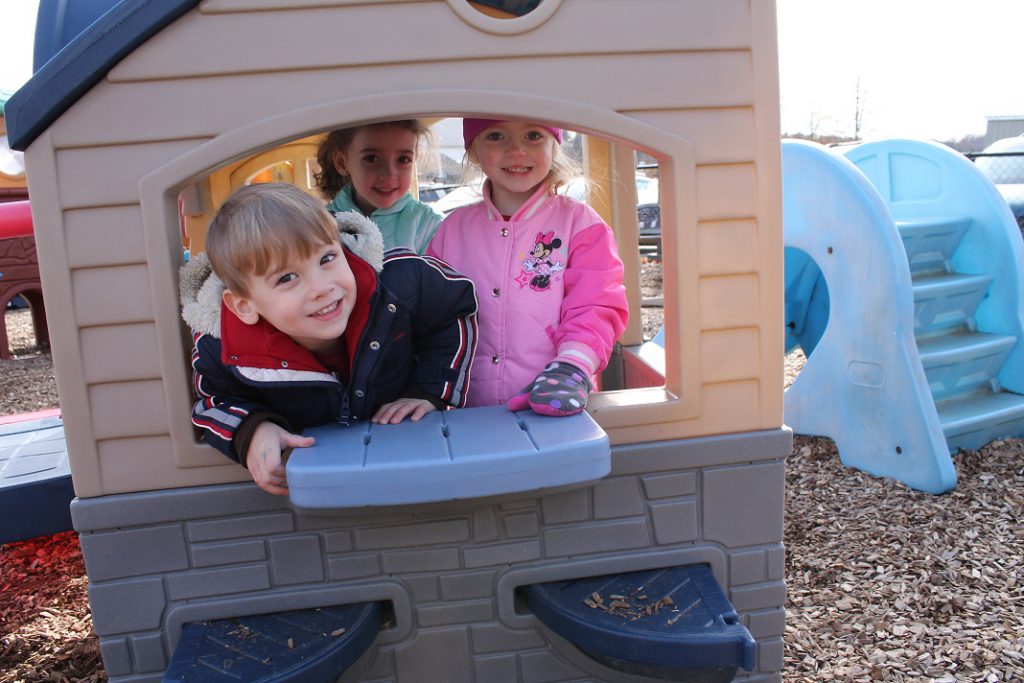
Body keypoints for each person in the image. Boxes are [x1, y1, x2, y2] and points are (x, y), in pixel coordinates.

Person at [180, 183, 477, 495]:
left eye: (327, 258)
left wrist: (430, 391)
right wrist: (252, 429)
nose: (321, 287)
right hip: (324, 483)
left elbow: (454, 306)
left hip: (408, 457)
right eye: (287, 278)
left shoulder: (396, 286)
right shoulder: (225, 348)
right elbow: (213, 401)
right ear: (245, 305)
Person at [428, 119, 628, 417]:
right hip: (467, 411)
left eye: (533, 135)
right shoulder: (452, 230)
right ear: (473, 150)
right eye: (496, 136)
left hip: (554, 402)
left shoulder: (580, 224)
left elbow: (596, 305)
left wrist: (572, 366)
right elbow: (431, 318)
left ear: (554, 145)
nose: (516, 150)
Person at [314, 120, 444, 254]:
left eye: (403, 159)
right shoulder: (322, 225)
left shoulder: (427, 225)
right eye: (371, 158)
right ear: (342, 162)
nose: (389, 174)